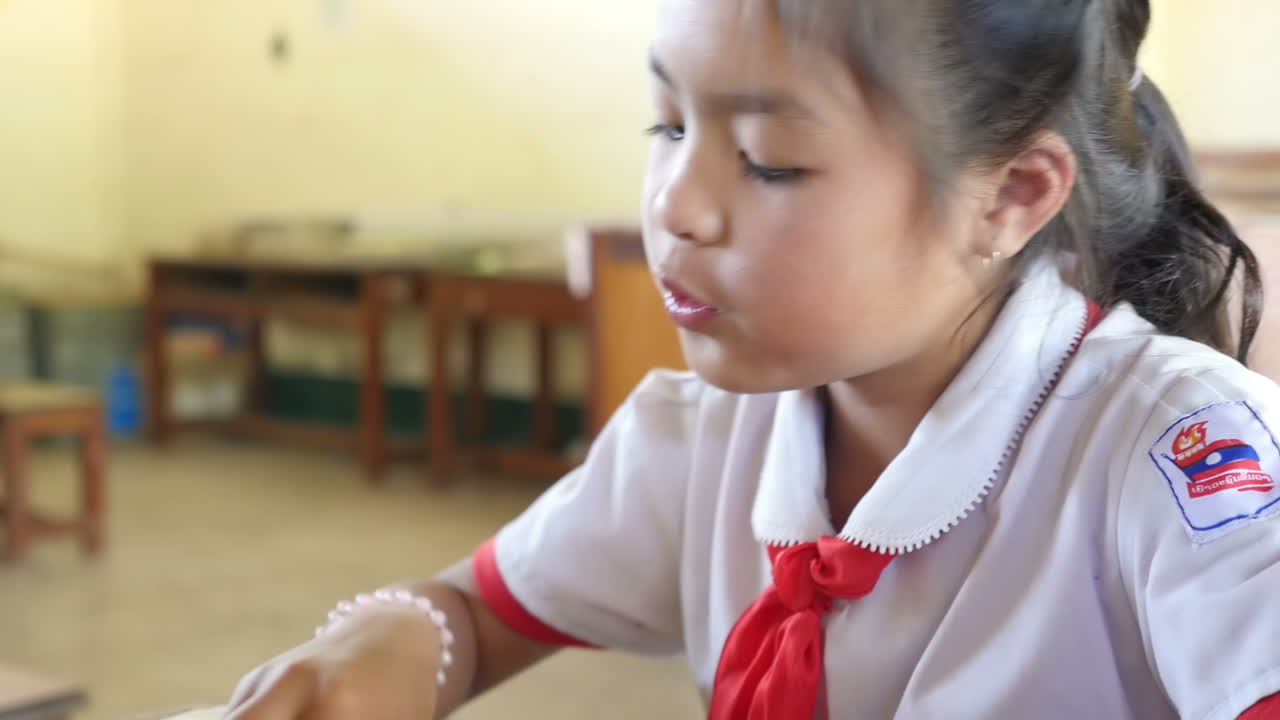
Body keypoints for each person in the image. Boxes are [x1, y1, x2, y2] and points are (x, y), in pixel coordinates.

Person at [224, 0, 1280, 718]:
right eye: (665, 123)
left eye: (767, 163)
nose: (675, 206)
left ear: (1007, 196)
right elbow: (476, 606)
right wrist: (402, 641)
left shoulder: (1175, 456)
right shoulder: (698, 438)